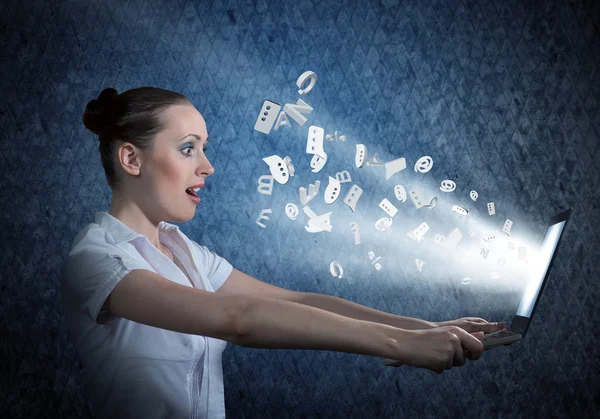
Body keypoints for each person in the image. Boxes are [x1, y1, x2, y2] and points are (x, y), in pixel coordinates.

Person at [60, 86, 507, 419]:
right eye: (187, 148)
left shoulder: (185, 253)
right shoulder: (96, 259)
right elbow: (240, 319)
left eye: (204, 148)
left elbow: (296, 303)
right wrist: (402, 344)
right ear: (131, 160)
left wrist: (426, 327)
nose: (207, 166)